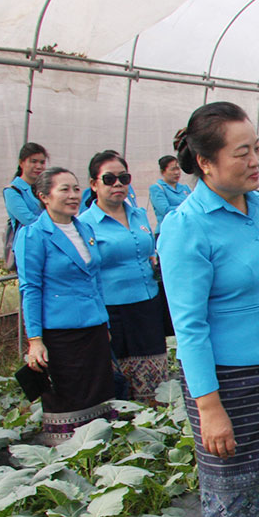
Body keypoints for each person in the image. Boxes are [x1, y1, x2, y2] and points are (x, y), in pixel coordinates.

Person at [157, 101, 259, 517]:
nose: (256, 161)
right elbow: (190, 326)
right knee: (234, 486)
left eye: (258, 149)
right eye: (242, 153)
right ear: (206, 162)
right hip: (229, 384)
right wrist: (208, 406)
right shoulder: (186, 227)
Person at [15, 167, 114, 445]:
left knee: (99, 392)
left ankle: (101, 450)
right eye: (64, 190)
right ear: (44, 196)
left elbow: (95, 279)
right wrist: (35, 340)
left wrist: (104, 322)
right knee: (69, 395)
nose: (73, 195)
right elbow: (31, 289)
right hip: (61, 334)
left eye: (75, 188)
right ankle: (69, 454)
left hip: (93, 328)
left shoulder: (84, 228)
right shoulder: (33, 235)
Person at [81, 150, 168, 404]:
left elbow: (150, 252)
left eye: (123, 178)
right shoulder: (85, 224)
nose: (117, 184)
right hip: (113, 310)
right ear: (94, 184)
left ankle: (155, 422)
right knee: (120, 378)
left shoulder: (138, 214)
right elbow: (88, 275)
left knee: (155, 371)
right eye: (109, 179)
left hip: (148, 303)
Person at [4, 143, 49, 228]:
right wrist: (55, 224)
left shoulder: (46, 188)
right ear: (21, 163)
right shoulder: (12, 191)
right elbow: (28, 220)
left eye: (42, 162)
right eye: (33, 161)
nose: (39, 166)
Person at [149, 155, 192, 227]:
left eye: (178, 169)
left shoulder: (185, 188)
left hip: (185, 227)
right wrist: (188, 208)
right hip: (168, 229)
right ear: (163, 172)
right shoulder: (157, 188)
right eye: (173, 169)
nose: (177, 172)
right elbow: (165, 210)